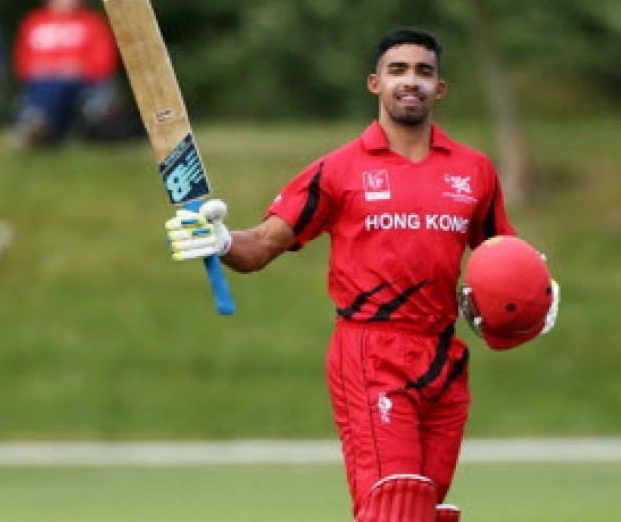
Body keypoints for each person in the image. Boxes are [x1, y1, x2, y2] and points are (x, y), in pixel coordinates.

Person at [165, 28, 560, 521]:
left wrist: (532, 293)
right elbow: (262, 246)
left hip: (442, 357)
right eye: (398, 70)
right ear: (375, 83)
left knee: (427, 510)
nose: (410, 81)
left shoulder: (474, 171)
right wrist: (221, 240)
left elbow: (503, 255)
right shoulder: (338, 171)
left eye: (423, 71)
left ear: (440, 88)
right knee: (393, 505)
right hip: (371, 353)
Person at [12, 0, 119, 146]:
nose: (68, 0)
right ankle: (40, 125)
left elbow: (105, 63)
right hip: (40, 83)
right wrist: (53, 68)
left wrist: (75, 68)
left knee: (59, 85)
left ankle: (40, 124)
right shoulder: (34, 22)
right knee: (50, 84)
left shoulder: (92, 23)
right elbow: (22, 64)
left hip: (82, 83)